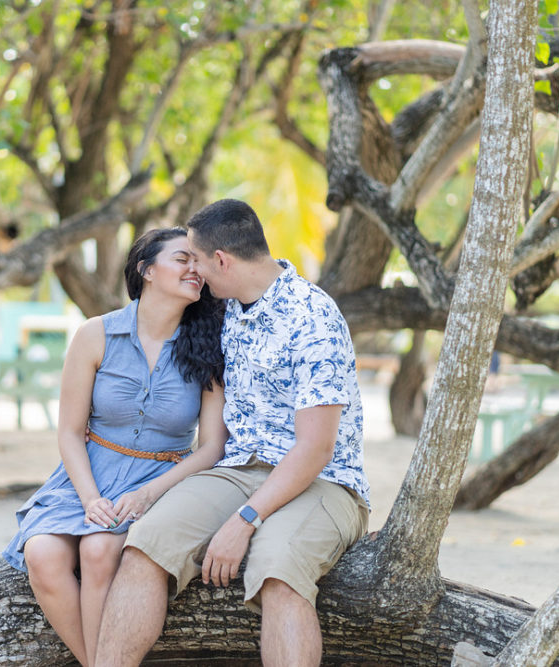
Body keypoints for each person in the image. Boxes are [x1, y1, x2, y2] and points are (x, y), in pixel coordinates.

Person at [96, 199, 370, 666]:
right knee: (145, 543)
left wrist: (244, 520)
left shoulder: (312, 317)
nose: (195, 276)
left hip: (323, 481)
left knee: (278, 570)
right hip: (237, 468)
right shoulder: (228, 314)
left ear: (221, 260)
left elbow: (317, 447)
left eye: (198, 262)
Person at [2, 228, 228, 667]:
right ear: (146, 269)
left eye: (197, 262)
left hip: (163, 479)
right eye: (182, 259)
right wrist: (89, 498)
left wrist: (148, 493)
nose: (194, 270)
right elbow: (70, 431)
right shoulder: (95, 335)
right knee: (43, 554)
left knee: (98, 549)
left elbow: (212, 447)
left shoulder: (209, 346)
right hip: (89, 473)